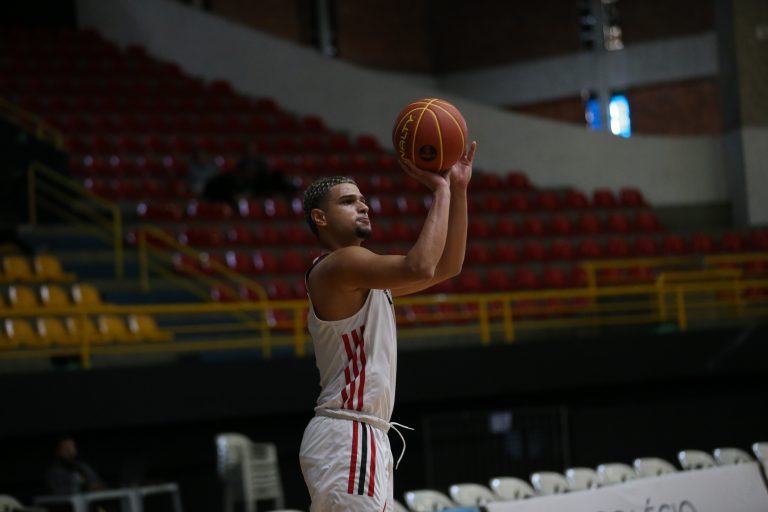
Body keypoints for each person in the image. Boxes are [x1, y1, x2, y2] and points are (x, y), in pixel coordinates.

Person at [298, 141, 476, 511]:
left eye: (363, 200)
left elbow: (447, 267)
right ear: (320, 218)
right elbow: (420, 266)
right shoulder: (339, 265)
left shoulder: (361, 277)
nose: (363, 206)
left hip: (363, 433)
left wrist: (458, 189)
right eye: (348, 201)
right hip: (348, 432)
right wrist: (440, 191)